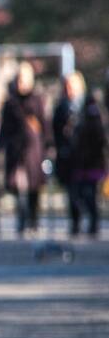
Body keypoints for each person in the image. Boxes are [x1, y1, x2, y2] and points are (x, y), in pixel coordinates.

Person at [0, 61, 50, 236]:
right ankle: (22, 219)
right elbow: (5, 128)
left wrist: (49, 147)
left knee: (34, 188)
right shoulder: (10, 102)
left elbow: (45, 125)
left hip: (34, 151)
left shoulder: (37, 100)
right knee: (17, 185)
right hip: (16, 151)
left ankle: (33, 220)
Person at [51, 72, 86, 235]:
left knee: (85, 191)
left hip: (85, 156)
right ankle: (75, 221)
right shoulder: (60, 108)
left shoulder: (86, 106)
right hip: (67, 155)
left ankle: (88, 218)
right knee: (72, 191)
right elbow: (54, 131)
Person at [71, 92, 108, 237]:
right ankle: (92, 221)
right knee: (86, 194)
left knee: (88, 194)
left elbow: (100, 142)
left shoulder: (92, 120)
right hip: (87, 164)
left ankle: (93, 221)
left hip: (91, 164)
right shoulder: (88, 119)